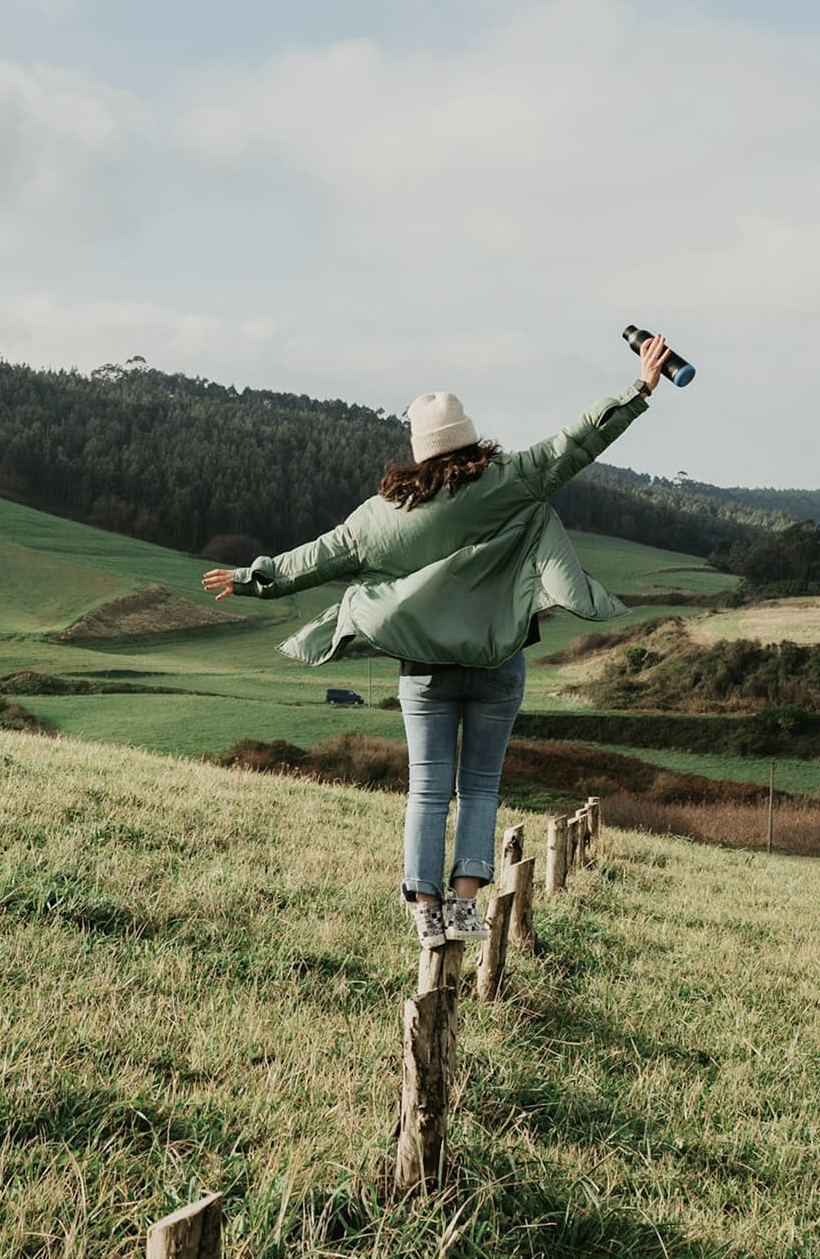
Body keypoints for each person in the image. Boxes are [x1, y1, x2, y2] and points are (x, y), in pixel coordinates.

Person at [201, 336, 675, 949]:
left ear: (418, 452)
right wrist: (639, 388)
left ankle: (425, 909)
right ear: (470, 438)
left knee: (428, 788)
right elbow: (578, 440)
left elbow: (309, 561)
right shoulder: (510, 481)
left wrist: (247, 578)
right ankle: (466, 905)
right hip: (497, 663)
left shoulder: (379, 516)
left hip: (423, 671)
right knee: (480, 786)